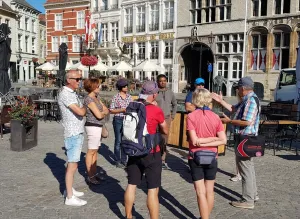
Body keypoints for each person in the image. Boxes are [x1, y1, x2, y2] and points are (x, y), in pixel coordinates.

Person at [211, 76, 260, 209]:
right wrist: (221, 101)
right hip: (244, 137)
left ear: (243, 88)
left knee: (245, 169)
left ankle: (248, 200)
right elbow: (233, 109)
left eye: (238, 88)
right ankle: (253, 195)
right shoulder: (247, 99)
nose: (237, 90)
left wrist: (229, 121)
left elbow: (247, 121)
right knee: (248, 168)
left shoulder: (250, 101)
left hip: (245, 138)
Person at [124, 81, 168, 219]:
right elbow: (165, 130)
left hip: (133, 150)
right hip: (151, 153)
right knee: (152, 190)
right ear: (154, 95)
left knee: (131, 185)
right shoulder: (156, 110)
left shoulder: (132, 106)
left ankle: (128, 216)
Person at [187, 88, 227, 219]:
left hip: (195, 156)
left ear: (195, 100)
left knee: (200, 192)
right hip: (212, 156)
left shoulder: (191, 116)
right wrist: (213, 139)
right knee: (210, 191)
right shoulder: (216, 117)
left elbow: (194, 140)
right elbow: (223, 140)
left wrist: (200, 142)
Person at [57, 70, 87, 206]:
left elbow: (80, 110)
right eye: (77, 79)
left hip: (77, 130)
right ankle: (69, 197)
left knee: (72, 163)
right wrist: (87, 105)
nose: (79, 81)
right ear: (69, 80)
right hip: (73, 132)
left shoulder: (71, 93)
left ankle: (70, 189)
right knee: (72, 164)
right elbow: (80, 111)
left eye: (80, 78)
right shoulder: (65, 94)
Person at [83, 78, 109, 185]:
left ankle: (94, 173)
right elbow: (99, 115)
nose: (99, 87)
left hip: (98, 126)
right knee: (91, 151)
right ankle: (90, 175)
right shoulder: (89, 99)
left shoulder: (97, 97)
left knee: (95, 151)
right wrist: (103, 113)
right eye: (97, 86)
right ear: (92, 87)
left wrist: (102, 112)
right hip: (92, 126)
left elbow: (106, 109)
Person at [155, 74, 177, 170]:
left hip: (167, 118)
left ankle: (163, 160)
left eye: (164, 80)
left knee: (164, 139)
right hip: (156, 119)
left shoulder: (170, 92)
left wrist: (173, 116)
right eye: (160, 81)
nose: (163, 82)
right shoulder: (154, 92)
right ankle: (155, 159)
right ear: (157, 82)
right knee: (155, 138)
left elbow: (175, 104)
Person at [110, 78, 133, 168]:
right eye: (124, 86)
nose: (126, 87)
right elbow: (111, 110)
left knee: (125, 140)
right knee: (118, 140)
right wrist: (122, 110)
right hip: (118, 119)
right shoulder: (116, 97)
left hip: (127, 120)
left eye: (126, 86)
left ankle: (124, 160)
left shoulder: (129, 97)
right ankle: (117, 160)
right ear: (120, 87)